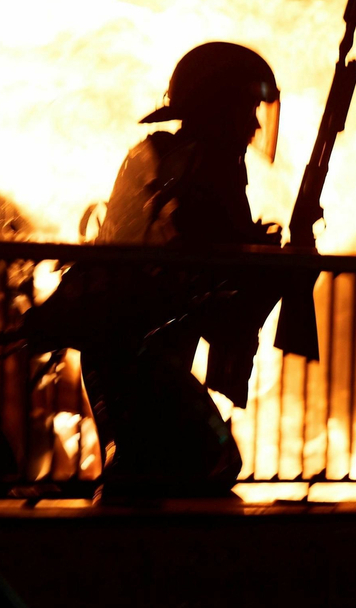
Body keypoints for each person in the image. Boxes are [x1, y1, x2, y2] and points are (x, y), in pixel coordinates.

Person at [80, 42, 285, 497]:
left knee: (169, 469)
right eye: (247, 108)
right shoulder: (195, 168)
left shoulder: (176, 159)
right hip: (134, 357)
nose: (255, 124)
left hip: (131, 354)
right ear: (219, 108)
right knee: (202, 463)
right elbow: (209, 275)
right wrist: (272, 264)